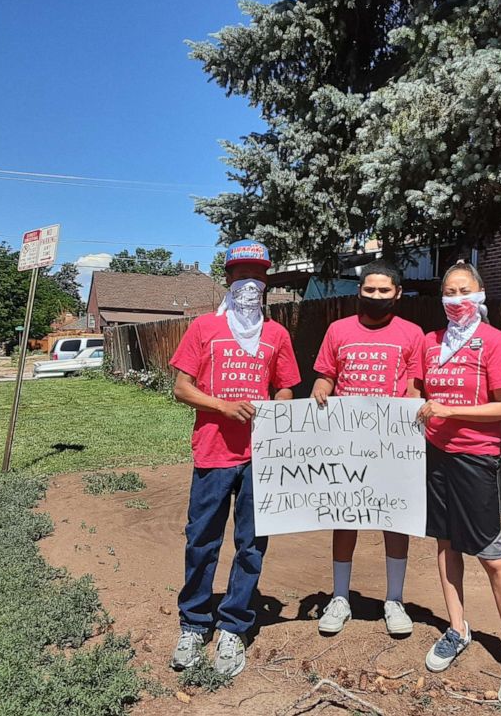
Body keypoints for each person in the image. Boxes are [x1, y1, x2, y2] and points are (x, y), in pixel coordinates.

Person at [168, 239, 301, 677]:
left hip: (260, 456)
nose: (250, 281)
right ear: (227, 278)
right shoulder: (204, 327)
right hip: (213, 451)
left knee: (251, 545)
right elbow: (181, 387)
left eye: (258, 273)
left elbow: (286, 386)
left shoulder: (276, 335)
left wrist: (277, 408)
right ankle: (193, 622)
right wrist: (222, 406)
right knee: (201, 540)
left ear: (266, 281)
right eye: (241, 273)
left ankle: (234, 625)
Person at [416, 261, 501, 708]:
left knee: (492, 555)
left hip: (476, 458)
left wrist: (451, 412)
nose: (456, 298)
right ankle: (457, 628)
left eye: (464, 290)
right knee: (445, 544)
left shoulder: (495, 342)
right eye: (449, 292)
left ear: (480, 294)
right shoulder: (431, 343)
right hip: (435, 456)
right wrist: (421, 406)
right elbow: (420, 395)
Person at [310, 260, 424, 636]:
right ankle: (340, 596)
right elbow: (326, 375)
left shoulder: (412, 334)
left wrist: (411, 404)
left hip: (393, 443)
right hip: (347, 440)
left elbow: (414, 385)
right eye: (369, 290)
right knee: (346, 516)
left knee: (394, 518)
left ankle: (394, 599)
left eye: (383, 291)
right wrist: (322, 388)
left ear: (397, 294)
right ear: (359, 291)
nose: (376, 296)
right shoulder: (338, 330)